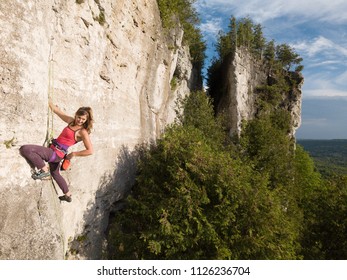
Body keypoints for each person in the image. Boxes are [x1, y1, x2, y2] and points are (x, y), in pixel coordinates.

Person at [20, 102, 94, 202]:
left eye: (83, 119)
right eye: (79, 117)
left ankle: (44, 170)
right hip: (55, 152)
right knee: (55, 174)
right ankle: (67, 194)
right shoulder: (71, 121)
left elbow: (90, 151)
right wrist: (48, 100)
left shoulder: (82, 132)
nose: (80, 120)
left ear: (86, 120)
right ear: (76, 115)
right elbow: (57, 111)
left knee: (25, 149)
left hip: (56, 154)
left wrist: (73, 154)